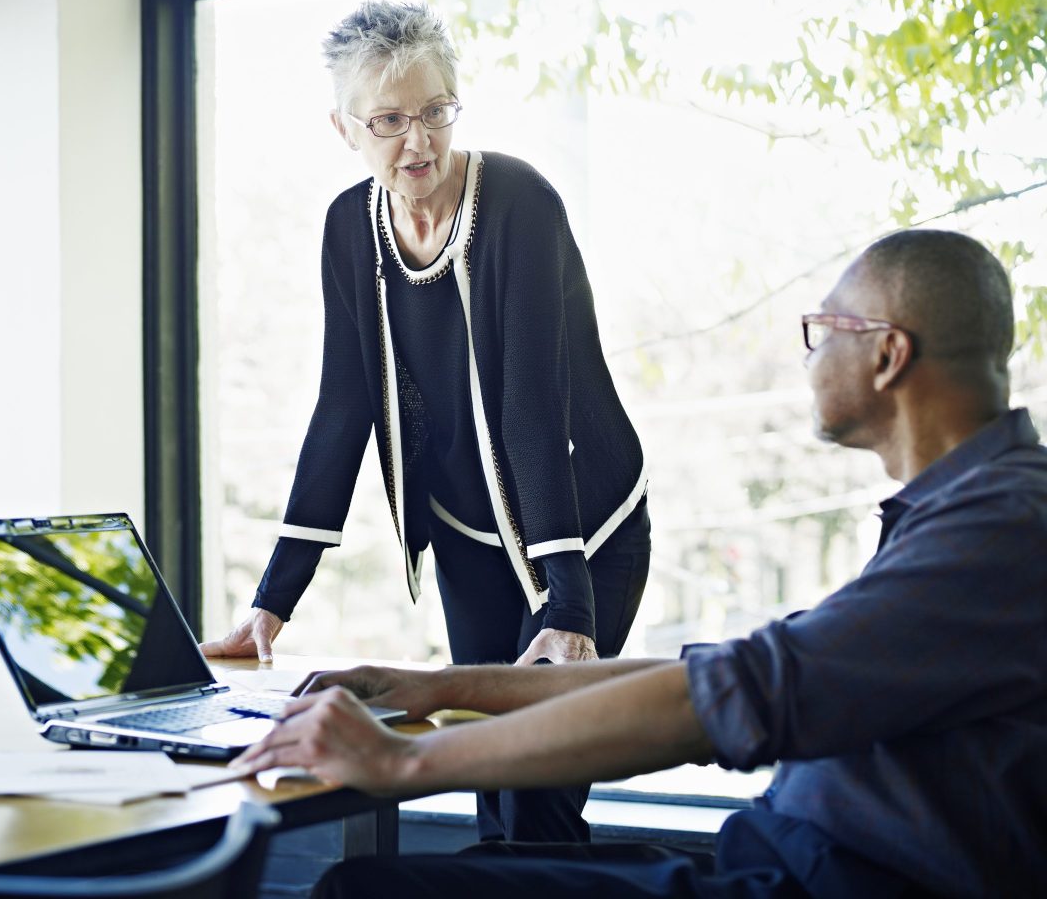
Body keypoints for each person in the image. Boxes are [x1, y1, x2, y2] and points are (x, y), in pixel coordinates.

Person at [237, 229, 1047, 898]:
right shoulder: (964, 515)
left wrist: (404, 761)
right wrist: (440, 687)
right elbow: (715, 672)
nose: (808, 358)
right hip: (787, 859)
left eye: (823, 330)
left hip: (819, 879)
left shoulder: (1001, 529)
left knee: (370, 891)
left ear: (888, 354)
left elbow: (729, 697)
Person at [201, 0, 652, 842]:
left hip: (585, 528)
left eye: (436, 111)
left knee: (539, 786)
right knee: (488, 774)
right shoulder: (349, 227)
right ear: (345, 128)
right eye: (389, 120)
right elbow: (344, 407)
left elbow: (531, 405)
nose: (419, 143)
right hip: (465, 532)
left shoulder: (518, 202)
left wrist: (569, 606)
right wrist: (271, 603)